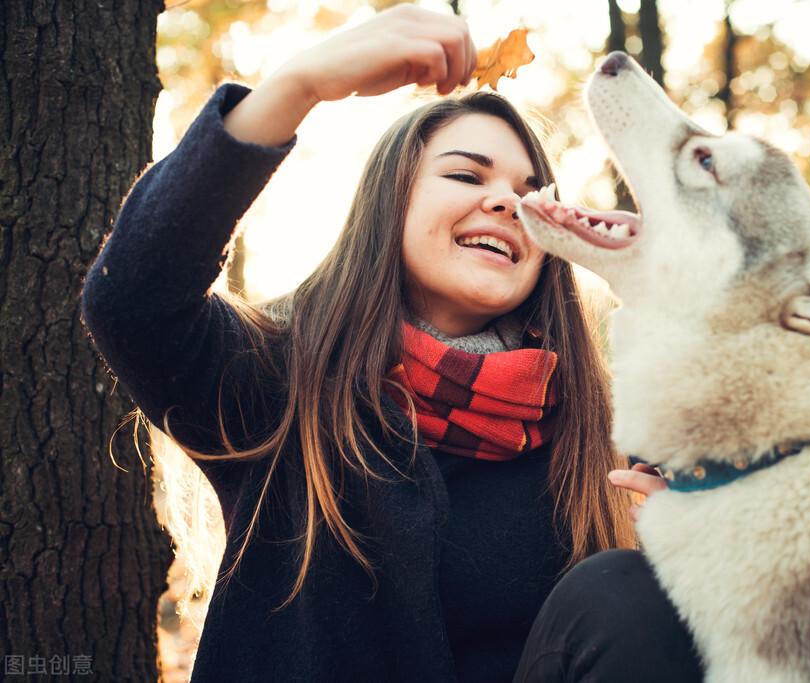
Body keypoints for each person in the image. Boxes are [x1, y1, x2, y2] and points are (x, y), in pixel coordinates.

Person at [79, 4, 702, 681]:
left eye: (530, 193)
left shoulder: (601, 438)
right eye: (466, 175)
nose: (504, 202)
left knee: (631, 589)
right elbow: (132, 297)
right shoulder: (278, 383)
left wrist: (695, 543)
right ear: (389, 204)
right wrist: (299, 84)